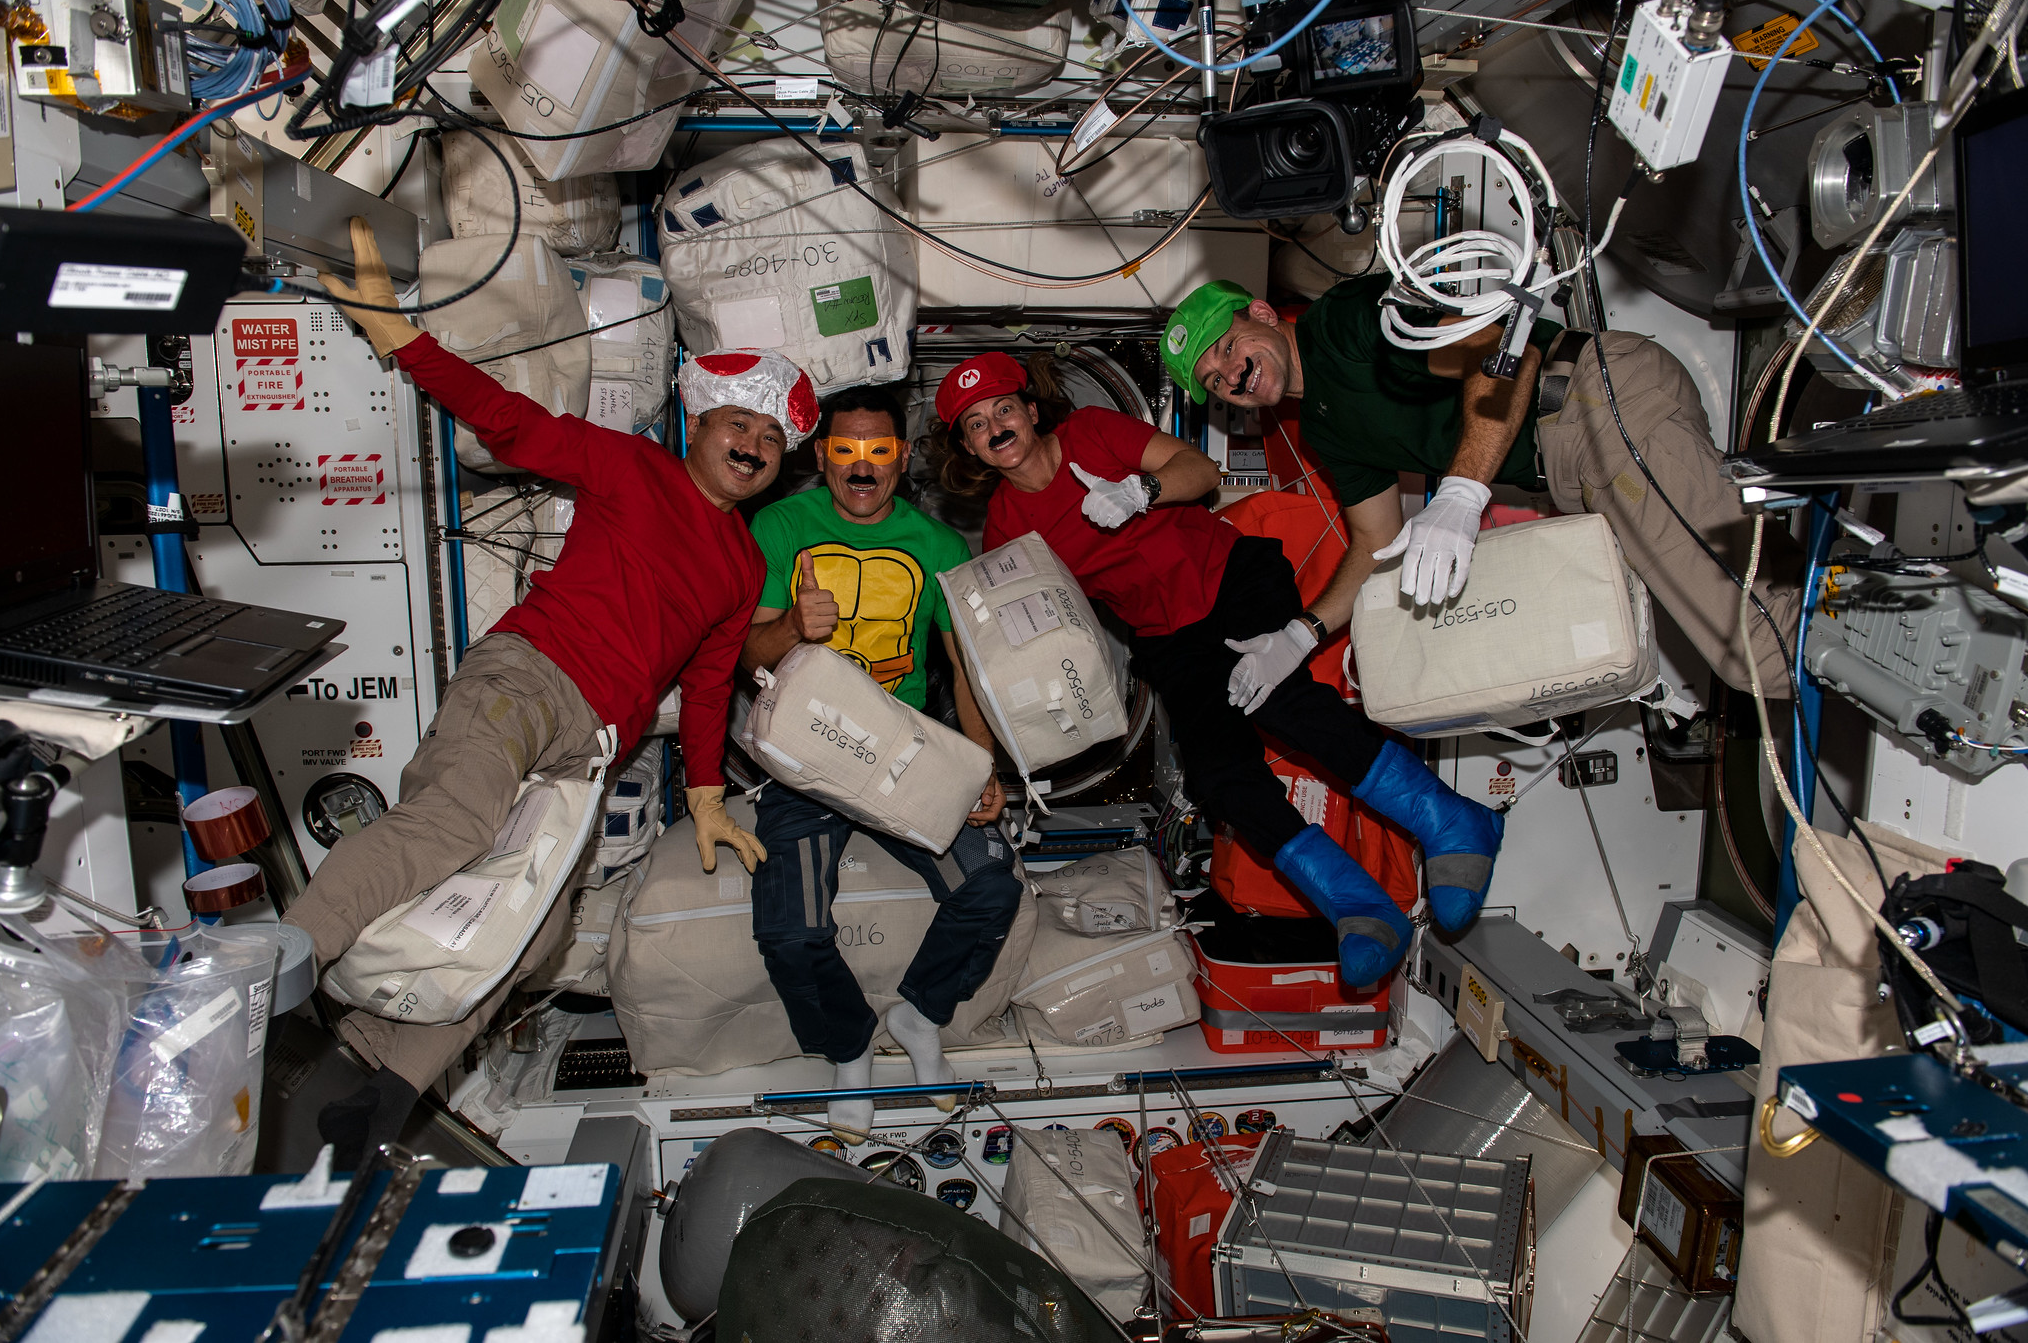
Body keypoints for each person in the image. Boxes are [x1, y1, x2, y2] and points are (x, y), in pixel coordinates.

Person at [292, 218, 812, 1164]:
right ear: (699, 422)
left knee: (535, 942)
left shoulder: (741, 561)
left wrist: (703, 794)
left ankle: (380, 1083)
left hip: (592, 748)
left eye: (772, 435)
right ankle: (271, 969)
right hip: (528, 678)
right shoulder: (632, 467)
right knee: (449, 826)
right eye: (740, 420)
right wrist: (402, 341)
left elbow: (706, 684)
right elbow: (510, 421)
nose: (755, 441)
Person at [928, 352, 1504, 993]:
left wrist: (1140, 490)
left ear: (1031, 412)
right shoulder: (1007, 527)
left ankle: (1450, 819)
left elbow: (1201, 471)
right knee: (1219, 776)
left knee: (1281, 704)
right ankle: (1360, 908)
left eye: (1004, 409)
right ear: (972, 451)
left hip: (1230, 580)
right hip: (1165, 636)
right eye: (977, 425)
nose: (996, 427)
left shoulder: (1091, 431)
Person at [1160, 277, 1801, 700]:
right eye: (1213, 382)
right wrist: (1303, 633)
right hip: (1577, 466)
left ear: (1265, 315)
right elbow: (1374, 540)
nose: (1229, 374)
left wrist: (1462, 493)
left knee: (1759, 652)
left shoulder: (1343, 324)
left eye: (1226, 346)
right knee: (1764, 594)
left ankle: (1884, 651)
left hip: (1591, 406)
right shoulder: (1326, 432)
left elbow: (1502, 344)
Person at [740, 385, 1019, 1140]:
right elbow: (748, 653)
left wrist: (981, 769)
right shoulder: (779, 524)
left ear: (901, 457)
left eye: (878, 450)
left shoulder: (940, 546)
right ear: (822, 455)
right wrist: (795, 626)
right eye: (845, 450)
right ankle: (851, 1043)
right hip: (806, 754)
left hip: (904, 747)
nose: (862, 467)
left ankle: (920, 1014)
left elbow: (967, 672)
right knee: (791, 931)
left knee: (992, 886)